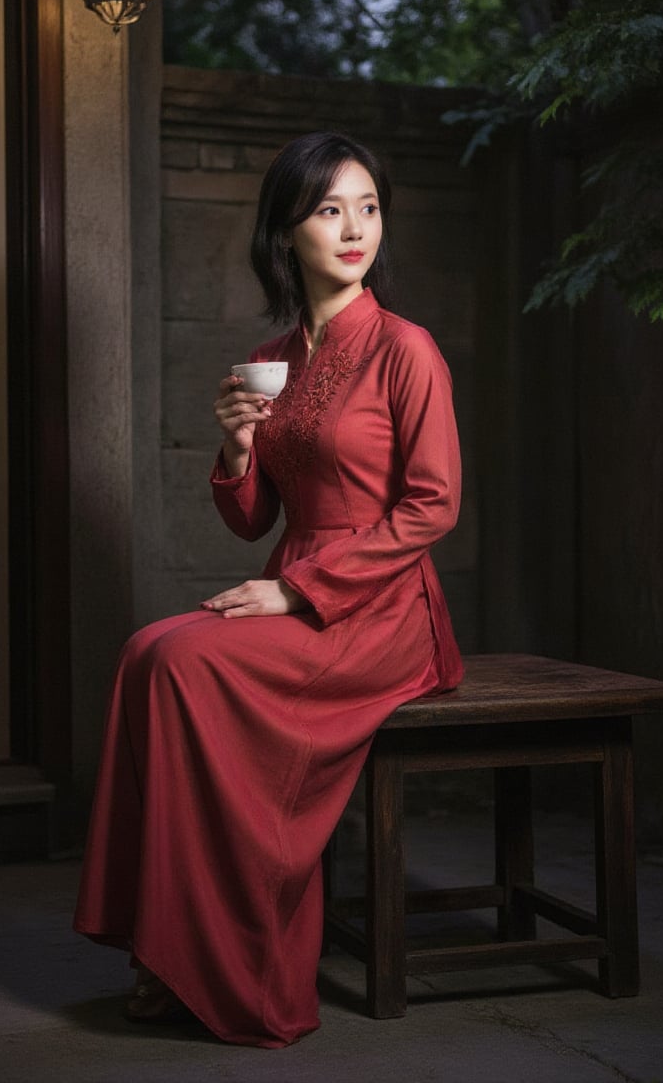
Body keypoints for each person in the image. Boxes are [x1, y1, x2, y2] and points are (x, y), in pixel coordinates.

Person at [73, 131, 463, 1048]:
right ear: (286, 231)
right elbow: (254, 523)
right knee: (146, 653)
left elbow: (433, 507)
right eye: (329, 209)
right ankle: (165, 949)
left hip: (382, 607)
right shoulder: (274, 354)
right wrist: (238, 448)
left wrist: (299, 595)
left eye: (367, 207)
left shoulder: (408, 349)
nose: (354, 227)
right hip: (295, 582)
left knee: (181, 665)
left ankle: (215, 964)